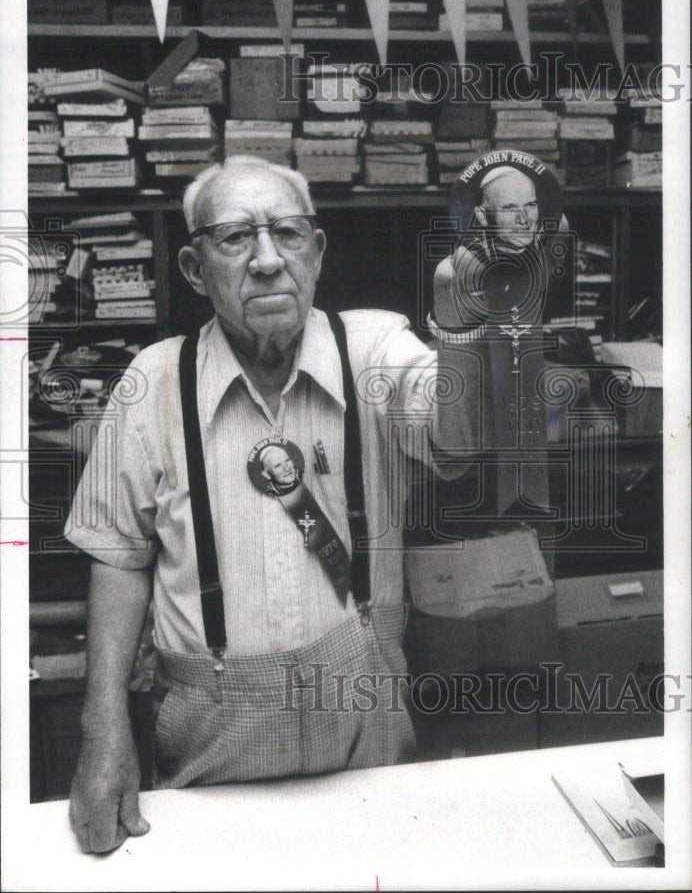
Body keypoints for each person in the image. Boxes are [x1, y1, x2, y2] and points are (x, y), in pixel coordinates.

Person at [65, 154, 481, 854]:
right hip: (213, 724)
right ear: (196, 270)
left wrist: (467, 327)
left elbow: (462, 439)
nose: (266, 260)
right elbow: (118, 556)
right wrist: (101, 730)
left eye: (287, 233)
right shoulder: (154, 381)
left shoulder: (373, 349)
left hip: (362, 711)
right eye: (235, 238)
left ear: (316, 252)